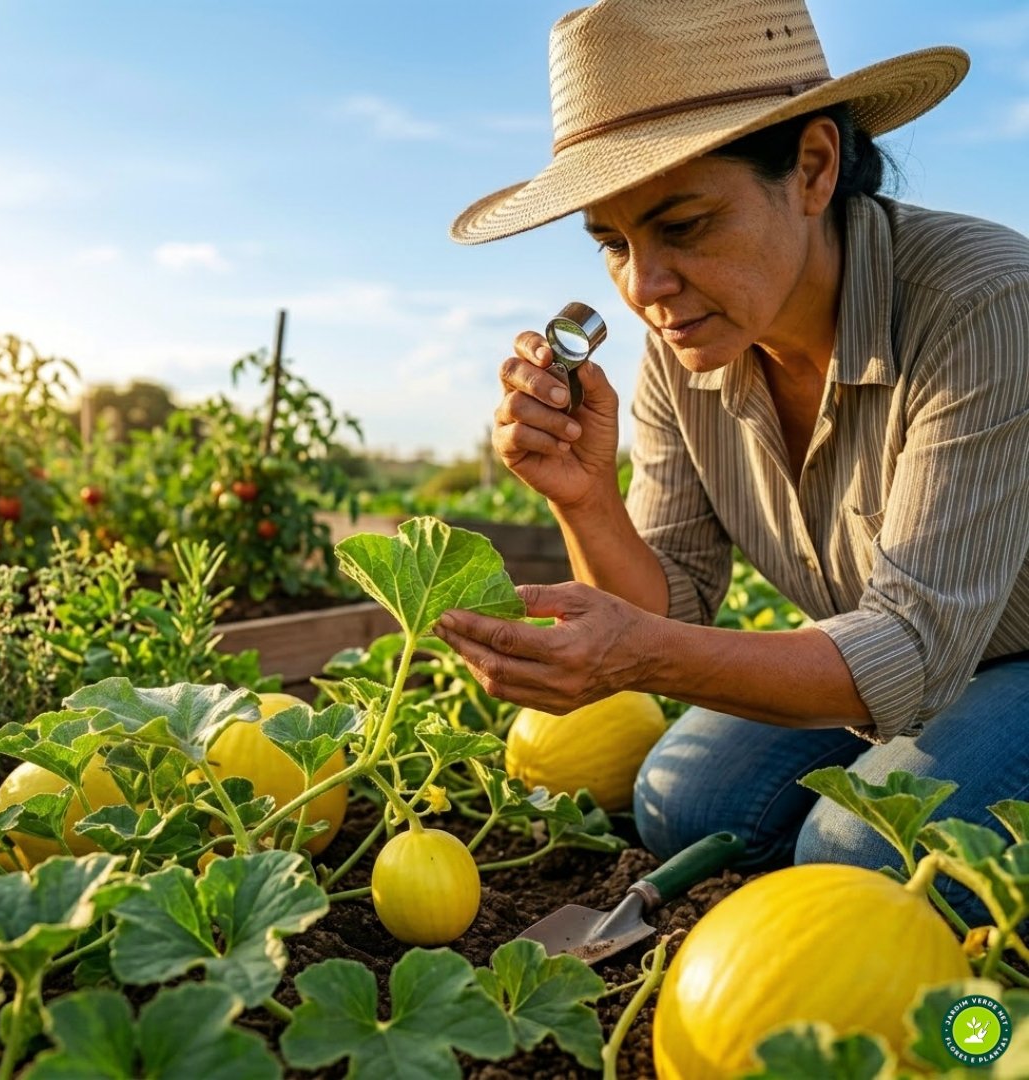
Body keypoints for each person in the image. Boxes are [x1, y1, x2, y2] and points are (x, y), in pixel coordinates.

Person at [436, 0, 1029, 924]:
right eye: (613, 243)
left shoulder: (981, 301)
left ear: (814, 168)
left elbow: (912, 648)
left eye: (685, 224)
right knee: (685, 798)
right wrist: (586, 499)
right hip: (907, 667)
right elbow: (669, 610)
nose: (643, 287)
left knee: (865, 850)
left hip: (1017, 653)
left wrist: (641, 653)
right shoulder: (686, 351)